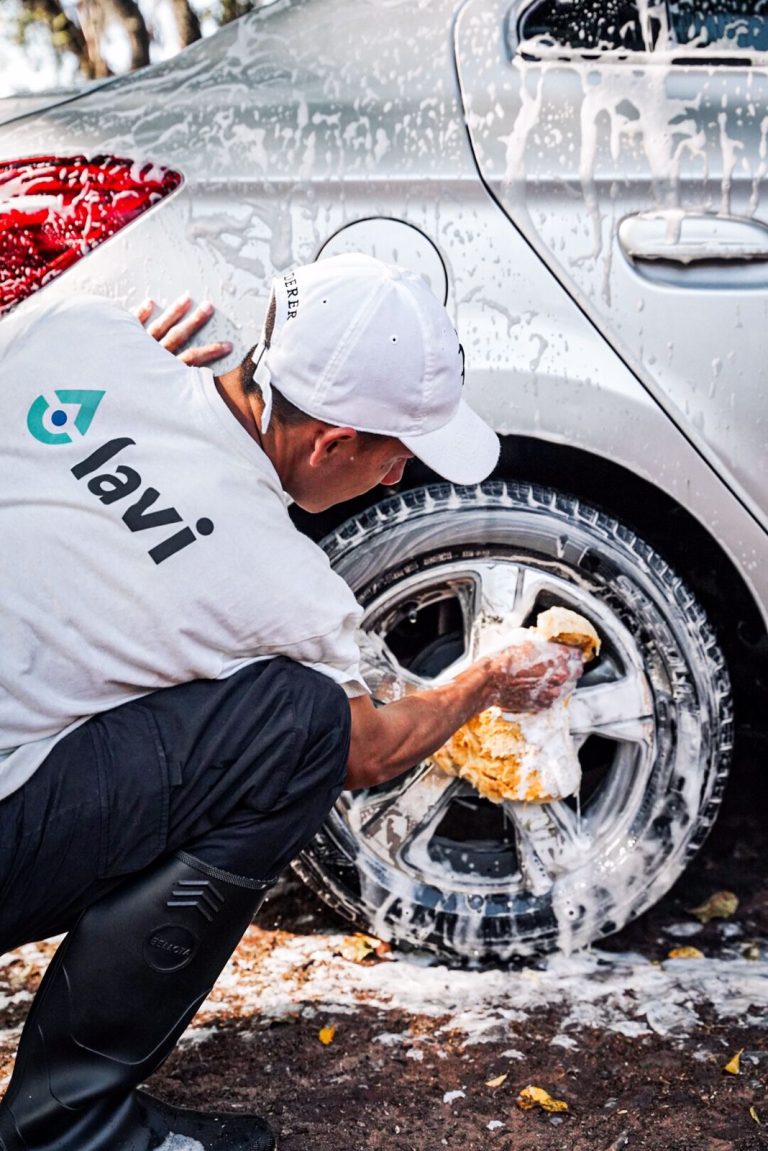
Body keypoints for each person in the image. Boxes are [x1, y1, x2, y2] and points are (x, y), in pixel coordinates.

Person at [0, 253, 581, 1151]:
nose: (397, 482)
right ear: (333, 442)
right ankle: (71, 1124)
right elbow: (373, 748)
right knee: (299, 723)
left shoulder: (77, 328)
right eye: (398, 457)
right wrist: (487, 681)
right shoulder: (283, 586)